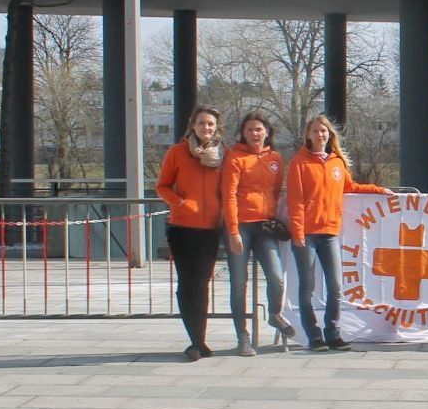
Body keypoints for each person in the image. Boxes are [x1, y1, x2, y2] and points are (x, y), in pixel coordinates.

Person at [287, 115, 393, 350]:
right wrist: (298, 232)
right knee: (308, 286)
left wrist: (378, 190)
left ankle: (332, 331)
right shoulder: (299, 162)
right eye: (315, 131)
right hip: (306, 233)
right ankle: (313, 335)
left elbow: (350, 187)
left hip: (330, 232)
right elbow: (295, 201)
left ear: (329, 134)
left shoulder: (337, 162)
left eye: (323, 131)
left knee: (336, 286)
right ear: (308, 135)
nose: (320, 135)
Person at [222, 110, 296, 357]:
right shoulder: (235, 158)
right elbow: (229, 195)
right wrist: (233, 231)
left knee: (276, 277)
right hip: (241, 225)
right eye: (250, 130)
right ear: (243, 134)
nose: (255, 134)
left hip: (265, 226)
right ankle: (242, 336)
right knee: (239, 283)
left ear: (267, 132)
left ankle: (275, 314)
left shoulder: (275, 157)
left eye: (259, 129)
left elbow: (275, 191)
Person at [156, 106, 226, 362]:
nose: (206, 128)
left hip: (210, 229)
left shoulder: (223, 155)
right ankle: (196, 341)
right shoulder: (177, 152)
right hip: (182, 228)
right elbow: (162, 186)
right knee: (187, 284)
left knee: (202, 283)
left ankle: (199, 339)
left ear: (216, 128)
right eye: (202, 123)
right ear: (193, 125)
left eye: (210, 124)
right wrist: (180, 203)